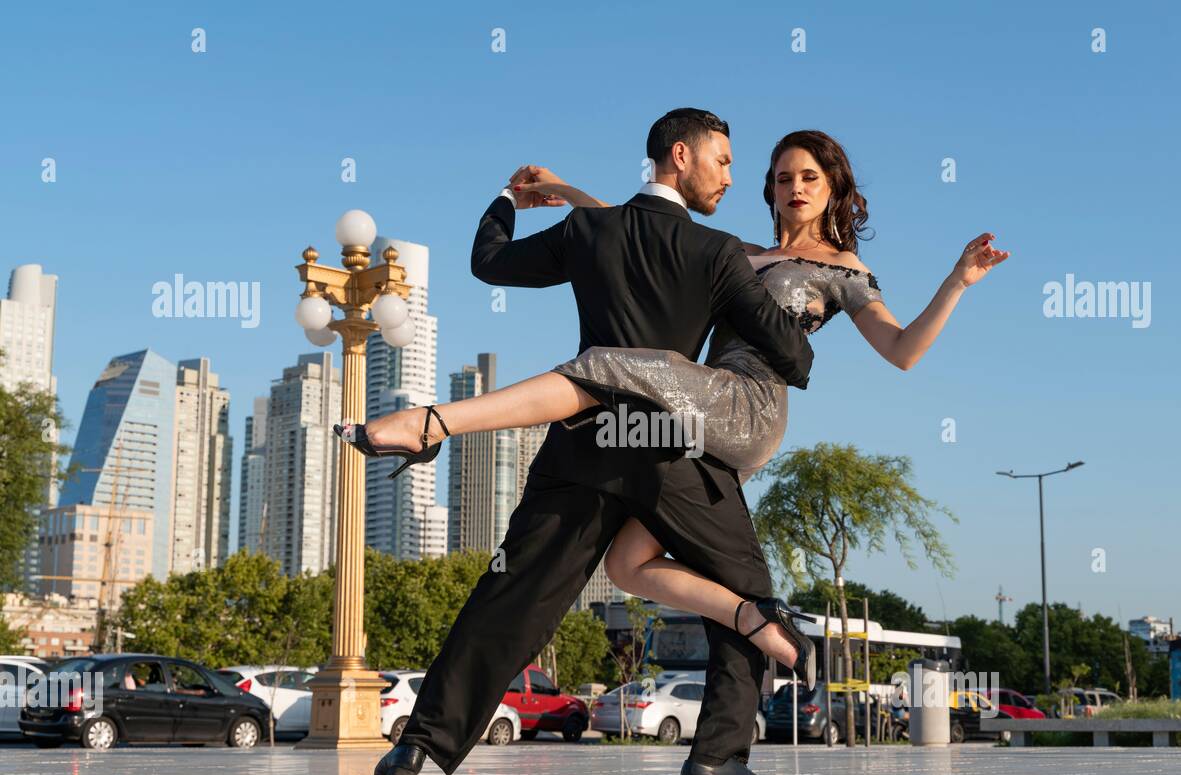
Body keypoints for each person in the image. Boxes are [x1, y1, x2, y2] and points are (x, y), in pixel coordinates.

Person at [343, 128, 1008, 712]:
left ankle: (432, 424)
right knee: (630, 563)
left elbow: (902, 352)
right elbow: (636, 227)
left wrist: (956, 281)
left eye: (810, 176)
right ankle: (753, 618)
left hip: (746, 406)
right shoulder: (733, 249)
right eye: (782, 178)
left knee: (611, 363)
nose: (795, 187)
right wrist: (566, 189)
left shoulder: (844, 270)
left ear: (833, 188)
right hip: (689, 406)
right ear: (769, 192)